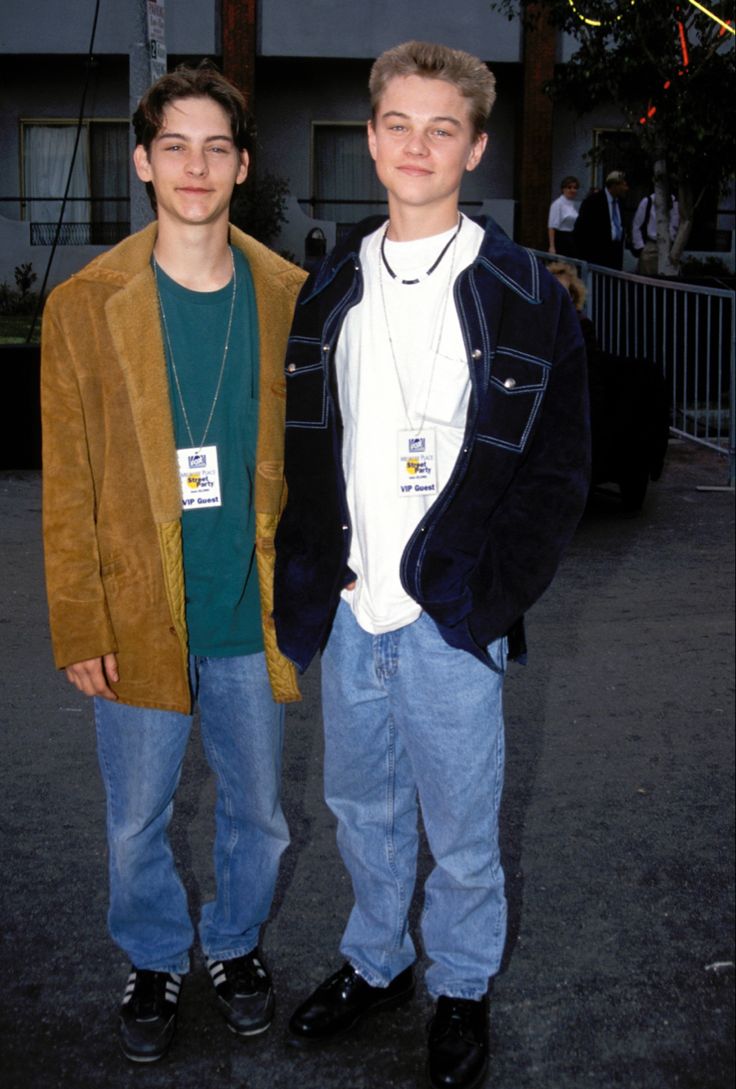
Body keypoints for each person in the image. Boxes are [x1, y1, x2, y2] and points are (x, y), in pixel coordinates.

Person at [273, 40, 590, 1089]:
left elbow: (556, 473)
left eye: (440, 127)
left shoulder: (523, 296)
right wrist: (314, 583)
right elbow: (305, 452)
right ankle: (376, 965)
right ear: (370, 141)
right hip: (355, 610)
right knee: (362, 813)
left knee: (461, 831)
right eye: (397, 124)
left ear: (475, 148)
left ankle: (459, 986)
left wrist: (485, 598)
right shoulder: (327, 291)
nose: (417, 145)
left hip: (452, 614)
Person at [41, 64, 306, 1063]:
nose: (196, 167)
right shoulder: (87, 302)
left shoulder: (285, 294)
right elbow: (67, 483)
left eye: (217, 148)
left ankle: (232, 945)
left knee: (259, 816)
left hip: (250, 611)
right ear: (145, 162)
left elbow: (314, 456)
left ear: (241, 165)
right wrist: (79, 623)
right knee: (134, 823)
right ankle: (153, 955)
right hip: (138, 611)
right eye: (175, 147)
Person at [573, 169, 629, 269]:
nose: (626, 188)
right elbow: (581, 229)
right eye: (623, 185)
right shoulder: (593, 201)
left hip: (615, 254)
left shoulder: (620, 203)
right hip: (597, 255)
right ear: (614, 185)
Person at [631, 189, 680, 276]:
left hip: (669, 247)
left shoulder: (674, 203)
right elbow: (636, 225)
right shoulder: (648, 201)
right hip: (651, 246)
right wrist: (640, 248)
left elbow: (675, 225)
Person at [547, 174, 580, 256]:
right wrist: (552, 246)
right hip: (561, 240)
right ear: (563, 189)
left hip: (571, 239)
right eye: (569, 187)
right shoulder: (558, 204)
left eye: (575, 188)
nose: (572, 190)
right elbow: (552, 227)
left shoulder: (573, 204)